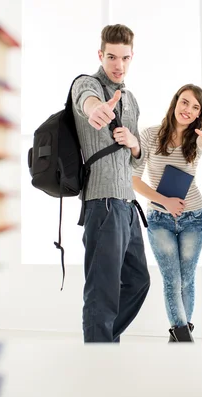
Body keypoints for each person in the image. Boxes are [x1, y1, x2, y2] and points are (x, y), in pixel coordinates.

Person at [71, 24, 150, 343]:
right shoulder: (87, 83)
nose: (119, 64)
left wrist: (134, 144)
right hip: (102, 203)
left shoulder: (131, 99)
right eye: (112, 57)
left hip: (128, 205)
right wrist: (95, 111)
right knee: (102, 291)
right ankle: (98, 356)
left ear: (132, 57)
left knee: (138, 281)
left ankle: (100, 343)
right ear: (100, 55)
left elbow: (136, 163)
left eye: (125, 57)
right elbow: (85, 101)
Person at [132, 84, 202, 342]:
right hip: (160, 219)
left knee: (187, 279)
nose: (188, 110)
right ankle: (183, 336)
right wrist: (165, 202)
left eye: (196, 107)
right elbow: (134, 180)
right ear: (175, 102)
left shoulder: (198, 140)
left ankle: (180, 335)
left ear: (199, 115)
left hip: (194, 217)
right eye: (185, 102)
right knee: (172, 279)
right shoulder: (149, 135)